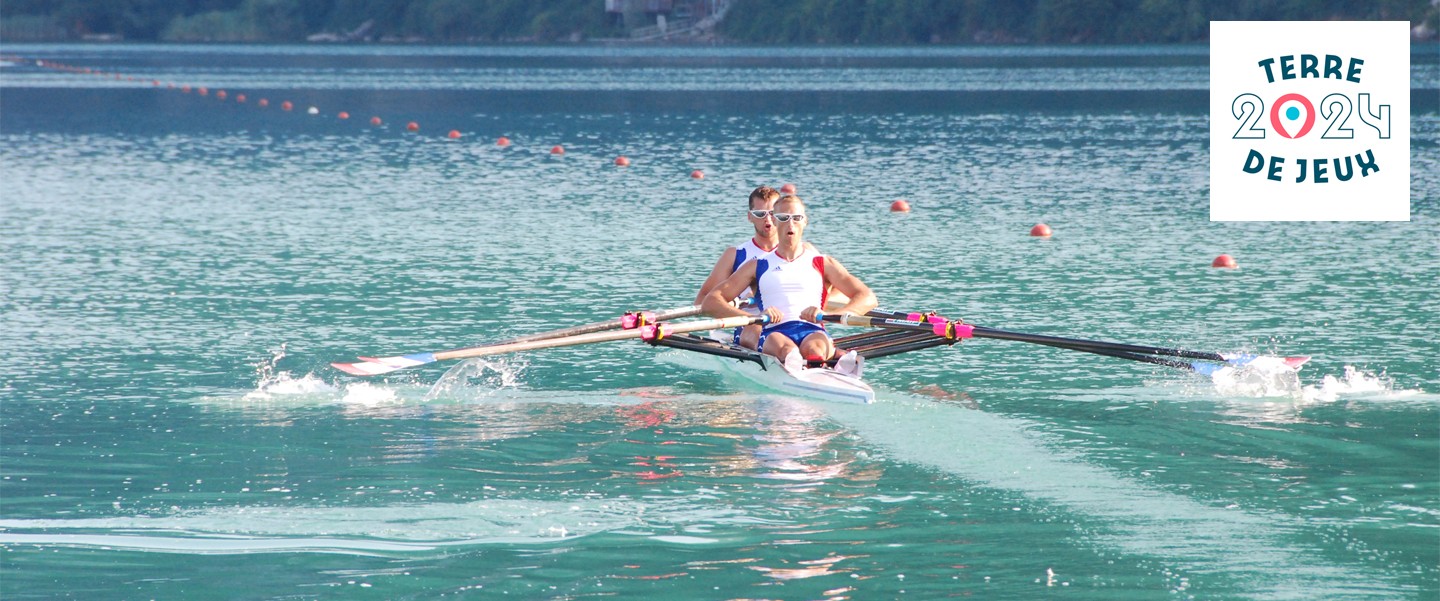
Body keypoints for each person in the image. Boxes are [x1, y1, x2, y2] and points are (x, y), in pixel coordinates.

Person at [702, 195, 877, 368]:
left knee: (814, 349)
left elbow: (867, 297)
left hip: (813, 330)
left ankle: (817, 365)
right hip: (774, 332)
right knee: (788, 351)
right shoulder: (757, 266)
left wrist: (835, 316)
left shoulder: (823, 262)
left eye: (796, 218)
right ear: (775, 222)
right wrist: (753, 318)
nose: (791, 224)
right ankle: (812, 366)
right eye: (783, 218)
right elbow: (710, 302)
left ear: (805, 221)